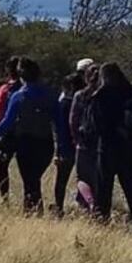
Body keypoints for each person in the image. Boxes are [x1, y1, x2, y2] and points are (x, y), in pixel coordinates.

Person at [0, 58, 60, 215]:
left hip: (26, 144)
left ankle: (31, 213)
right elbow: (59, 124)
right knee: (34, 179)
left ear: (21, 75)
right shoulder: (51, 94)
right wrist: (62, 148)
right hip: (46, 143)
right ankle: (34, 211)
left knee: (30, 181)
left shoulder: (19, 96)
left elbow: (6, 123)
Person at [89, 62, 132, 231]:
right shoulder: (130, 93)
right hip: (130, 149)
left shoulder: (100, 95)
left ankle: (102, 225)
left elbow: (97, 127)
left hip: (107, 148)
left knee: (103, 190)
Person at [0, 56, 23, 201]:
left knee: (2, 167)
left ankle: (4, 198)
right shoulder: (25, 88)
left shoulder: (5, 89)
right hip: (24, 133)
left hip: (7, 133)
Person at [70, 64, 100, 212]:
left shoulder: (79, 95)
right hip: (101, 143)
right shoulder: (106, 95)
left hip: (84, 141)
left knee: (82, 177)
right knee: (97, 177)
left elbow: (73, 120)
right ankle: (96, 204)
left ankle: (90, 203)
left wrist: (76, 139)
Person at [52, 73, 82, 216]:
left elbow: (60, 129)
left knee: (61, 179)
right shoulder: (86, 100)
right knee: (84, 179)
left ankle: (59, 207)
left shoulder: (63, 104)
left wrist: (58, 150)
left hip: (66, 146)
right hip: (84, 146)